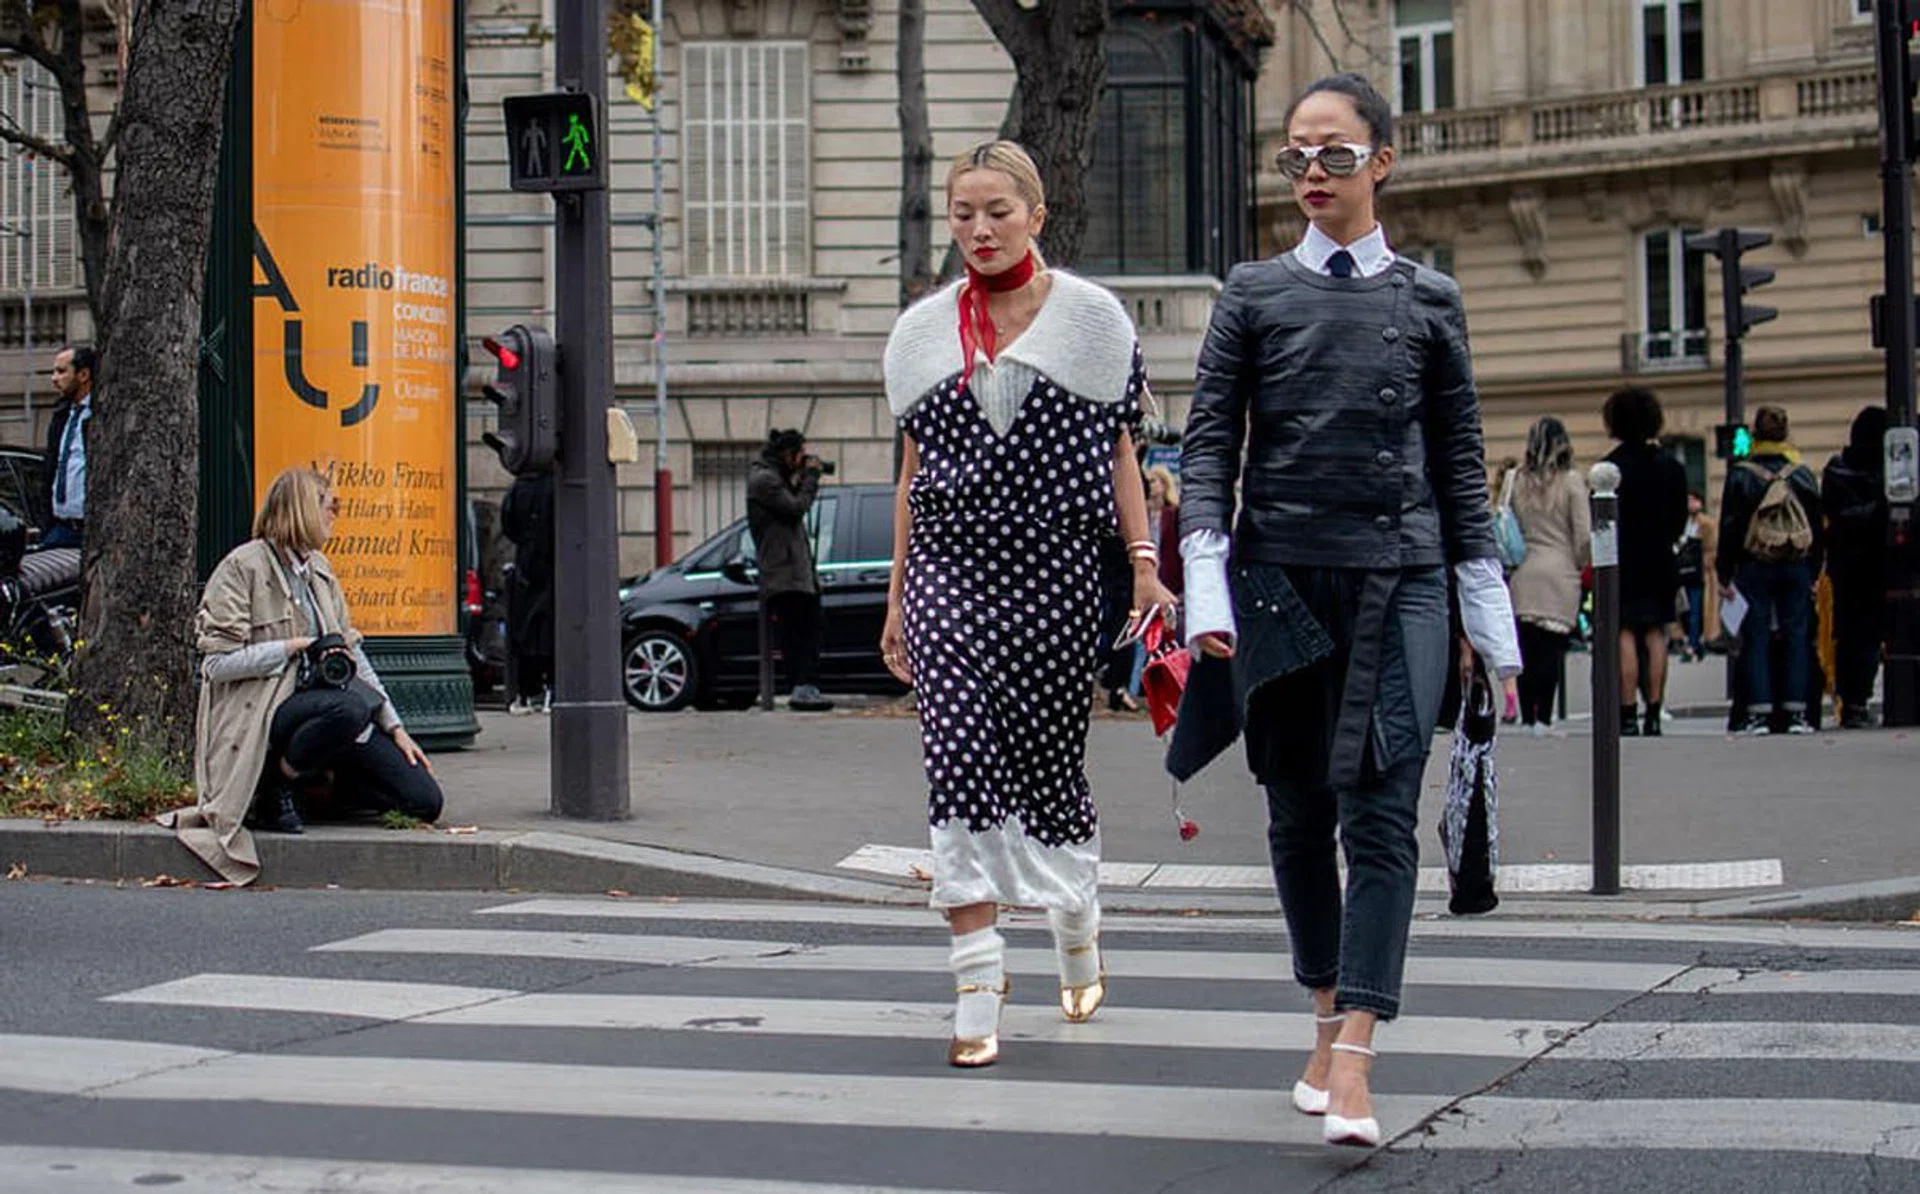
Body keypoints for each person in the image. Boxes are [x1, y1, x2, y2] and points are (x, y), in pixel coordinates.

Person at [1174, 74, 1519, 1149]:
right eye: (1295, 157)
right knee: (1294, 816)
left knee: (1379, 811)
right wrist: (1206, 586)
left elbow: (1461, 469)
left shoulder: (1430, 299)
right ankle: (1324, 1012)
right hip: (1279, 577)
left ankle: (1360, 1051)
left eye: (1333, 154)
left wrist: (1488, 625)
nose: (1311, 175)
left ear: (1384, 159)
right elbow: (1207, 449)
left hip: (1401, 576)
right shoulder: (1252, 293)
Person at [879, 139, 1171, 1069]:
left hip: (1054, 576)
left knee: (1049, 771)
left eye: (997, 211)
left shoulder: (1094, 321)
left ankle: (1076, 916)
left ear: (1036, 217)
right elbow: (912, 474)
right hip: (949, 577)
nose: (978, 229)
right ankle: (976, 976)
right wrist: (896, 598)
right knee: (957, 758)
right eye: (963, 213)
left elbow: (1122, 449)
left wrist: (1142, 563)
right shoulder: (920, 333)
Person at [163, 467, 443, 886]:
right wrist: (292, 647)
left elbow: (352, 652)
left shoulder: (320, 570)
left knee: (423, 799)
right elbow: (216, 666)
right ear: (300, 509)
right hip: (263, 710)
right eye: (331, 505)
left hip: (325, 708)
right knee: (347, 708)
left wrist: (395, 725)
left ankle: (305, 787)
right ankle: (277, 783)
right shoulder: (243, 567)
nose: (337, 514)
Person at [1719, 405, 1824, 734]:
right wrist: (1815, 570)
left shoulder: (1741, 474)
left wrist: (1725, 572)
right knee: (1797, 637)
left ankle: (1758, 713)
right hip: (1796, 564)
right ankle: (1797, 712)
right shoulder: (1802, 474)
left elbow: (1731, 526)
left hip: (1755, 564)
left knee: (1756, 638)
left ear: (1754, 434)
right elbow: (1817, 528)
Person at [1601, 387, 1689, 737]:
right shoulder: (1672, 467)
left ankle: (1627, 712)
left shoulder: (1611, 468)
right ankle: (1654, 710)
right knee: (1656, 632)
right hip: (1659, 558)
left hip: (1624, 560)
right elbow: (1680, 521)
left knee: (1625, 631)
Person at [1508, 417, 1589, 735]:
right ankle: (1545, 716)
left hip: (1525, 572)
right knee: (1552, 651)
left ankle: (1528, 716)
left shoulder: (1517, 480)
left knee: (1527, 651)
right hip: (1560, 573)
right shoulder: (1571, 482)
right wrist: (1582, 563)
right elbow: (1582, 534)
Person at [747, 428, 834, 713]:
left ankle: (807, 686)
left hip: (795, 573)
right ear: (788, 454)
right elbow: (795, 508)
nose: (803, 460)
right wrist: (809, 480)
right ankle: (801, 687)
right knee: (797, 632)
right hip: (784, 574)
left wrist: (801, 479)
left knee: (809, 628)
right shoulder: (765, 481)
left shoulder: (774, 479)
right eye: (800, 454)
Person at [1824, 406, 1890, 729]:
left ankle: (1853, 703)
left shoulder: (1836, 470)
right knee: (1881, 634)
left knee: (1853, 637)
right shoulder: (1886, 472)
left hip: (1846, 566)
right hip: (1881, 563)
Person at [500, 469, 555, 715]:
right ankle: (549, 690)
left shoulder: (518, 487)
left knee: (524, 632)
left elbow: (509, 525)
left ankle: (525, 694)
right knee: (550, 631)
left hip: (526, 567)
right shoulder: (556, 484)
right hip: (552, 565)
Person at [44, 344, 95, 550]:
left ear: (83, 375)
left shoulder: (97, 415)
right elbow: (50, 469)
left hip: (89, 529)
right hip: (60, 527)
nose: (54, 378)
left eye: (62, 371)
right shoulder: (62, 414)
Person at [1674, 491, 1713, 661]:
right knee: (1684, 610)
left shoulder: (1706, 523)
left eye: (1693, 500)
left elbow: (1711, 548)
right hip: (1683, 571)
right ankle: (1692, 641)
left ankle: (1693, 643)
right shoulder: (1682, 522)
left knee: (1696, 610)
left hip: (1698, 572)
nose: (1690, 503)